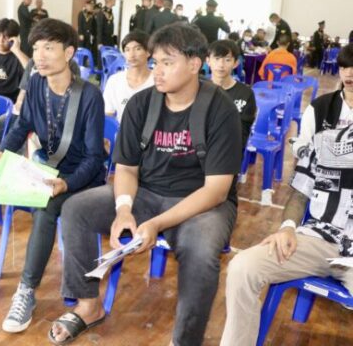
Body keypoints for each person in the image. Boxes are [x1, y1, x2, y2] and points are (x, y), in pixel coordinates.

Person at [50, 23, 242, 346]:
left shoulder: (220, 110)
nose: (157, 71)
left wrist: (156, 223)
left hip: (201, 203)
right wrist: (124, 209)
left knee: (200, 251)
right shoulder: (141, 105)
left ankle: (186, 339)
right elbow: (126, 168)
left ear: (195, 64)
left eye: (168, 62)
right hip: (147, 194)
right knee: (76, 209)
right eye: (155, 62)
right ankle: (88, 305)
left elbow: (217, 190)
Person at [0, 18, 106, 335]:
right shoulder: (37, 84)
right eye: (36, 48)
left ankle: (26, 290)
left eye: (49, 48)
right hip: (44, 170)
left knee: (46, 206)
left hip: (79, 178)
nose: (39, 56)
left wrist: (66, 183)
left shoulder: (89, 96)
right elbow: (20, 128)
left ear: (69, 52)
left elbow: (96, 158)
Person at [220, 122, 353, 346]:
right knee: (243, 268)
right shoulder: (325, 140)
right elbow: (299, 195)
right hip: (319, 238)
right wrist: (288, 227)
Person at [292, 44, 353, 157]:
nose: (348, 74)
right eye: (343, 67)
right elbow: (303, 142)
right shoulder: (318, 107)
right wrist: (301, 149)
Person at [208, 40, 256, 147]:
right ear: (208, 61)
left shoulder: (246, 94)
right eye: (217, 59)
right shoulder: (199, 90)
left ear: (235, 63)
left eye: (227, 60)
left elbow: (243, 131)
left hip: (231, 148)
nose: (221, 65)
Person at [103, 30, 154, 122]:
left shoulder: (158, 81)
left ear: (148, 52)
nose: (132, 55)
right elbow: (108, 114)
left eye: (138, 49)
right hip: (121, 130)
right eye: (127, 50)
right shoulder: (114, 81)